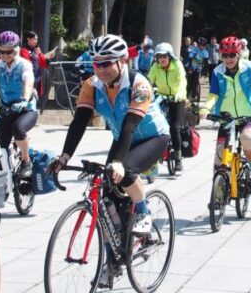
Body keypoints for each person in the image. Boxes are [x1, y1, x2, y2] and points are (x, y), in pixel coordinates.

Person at [47, 34, 170, 235]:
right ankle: (116, 244)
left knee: (126, 171)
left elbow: (130, 125)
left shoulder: (139, 84)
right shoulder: (91, 85)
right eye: (96, 64)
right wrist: (64, 157)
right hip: (122, 138)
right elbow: (79, 123)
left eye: (106, 64)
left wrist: (119, 162)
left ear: (123, 60)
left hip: (153, 137)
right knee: (106, 194)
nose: (101, 70)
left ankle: (143, 212)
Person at [201, 36, 251, 185]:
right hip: (227, 118)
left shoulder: (249, 67)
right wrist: (206, 107)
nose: (228, 59)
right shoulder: (217, 71)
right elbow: (214, 94)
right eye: (225, 55)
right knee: (220, 157)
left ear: (238, 54)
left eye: (232, 55)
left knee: (247, 137)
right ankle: (220, 188)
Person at [0, 31, 37, 177]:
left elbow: (28, 82)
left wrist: (24, 100)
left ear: (16, 49)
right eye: (1, 52)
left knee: (18, 128)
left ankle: (26, 161)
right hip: (6, 110)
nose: (4, 55)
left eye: (8, 52)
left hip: (26, 110)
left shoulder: (24, 65)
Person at [147, 42, 187, 171]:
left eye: (164, 56)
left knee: (174, 127)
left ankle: (178, 158)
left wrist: (179, 94)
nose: (162, 59)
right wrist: (145, 89)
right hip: (162, 97)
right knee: (155, 126)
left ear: (170, 56)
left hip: (177, 98)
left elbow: (182, 81)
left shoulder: (177, 65)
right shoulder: (155, 66)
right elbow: (149, 80)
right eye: (159, 56)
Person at [20, 31, 57, 99]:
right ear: (28, 39)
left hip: (37, 79)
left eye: (36, 39)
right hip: (28, 79)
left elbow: (44, 62)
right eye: (34, 39)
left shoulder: (36, 50)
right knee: (28, 97)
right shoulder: (23, 51)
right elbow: (26, 65)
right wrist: (36, 55)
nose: (36, 41)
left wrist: (49, 57)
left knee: (34, 98)